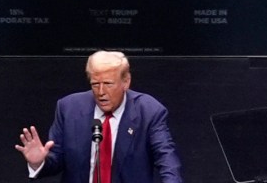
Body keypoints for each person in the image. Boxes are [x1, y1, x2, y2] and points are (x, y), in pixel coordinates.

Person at [17, 50, 183, 183]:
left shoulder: (148, 111)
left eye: (108, 84)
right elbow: (56, 161)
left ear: (126, 82)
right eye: (95, 84)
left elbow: (166, 158)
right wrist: (38, 162)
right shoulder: (68, 108)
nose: (101, 92)